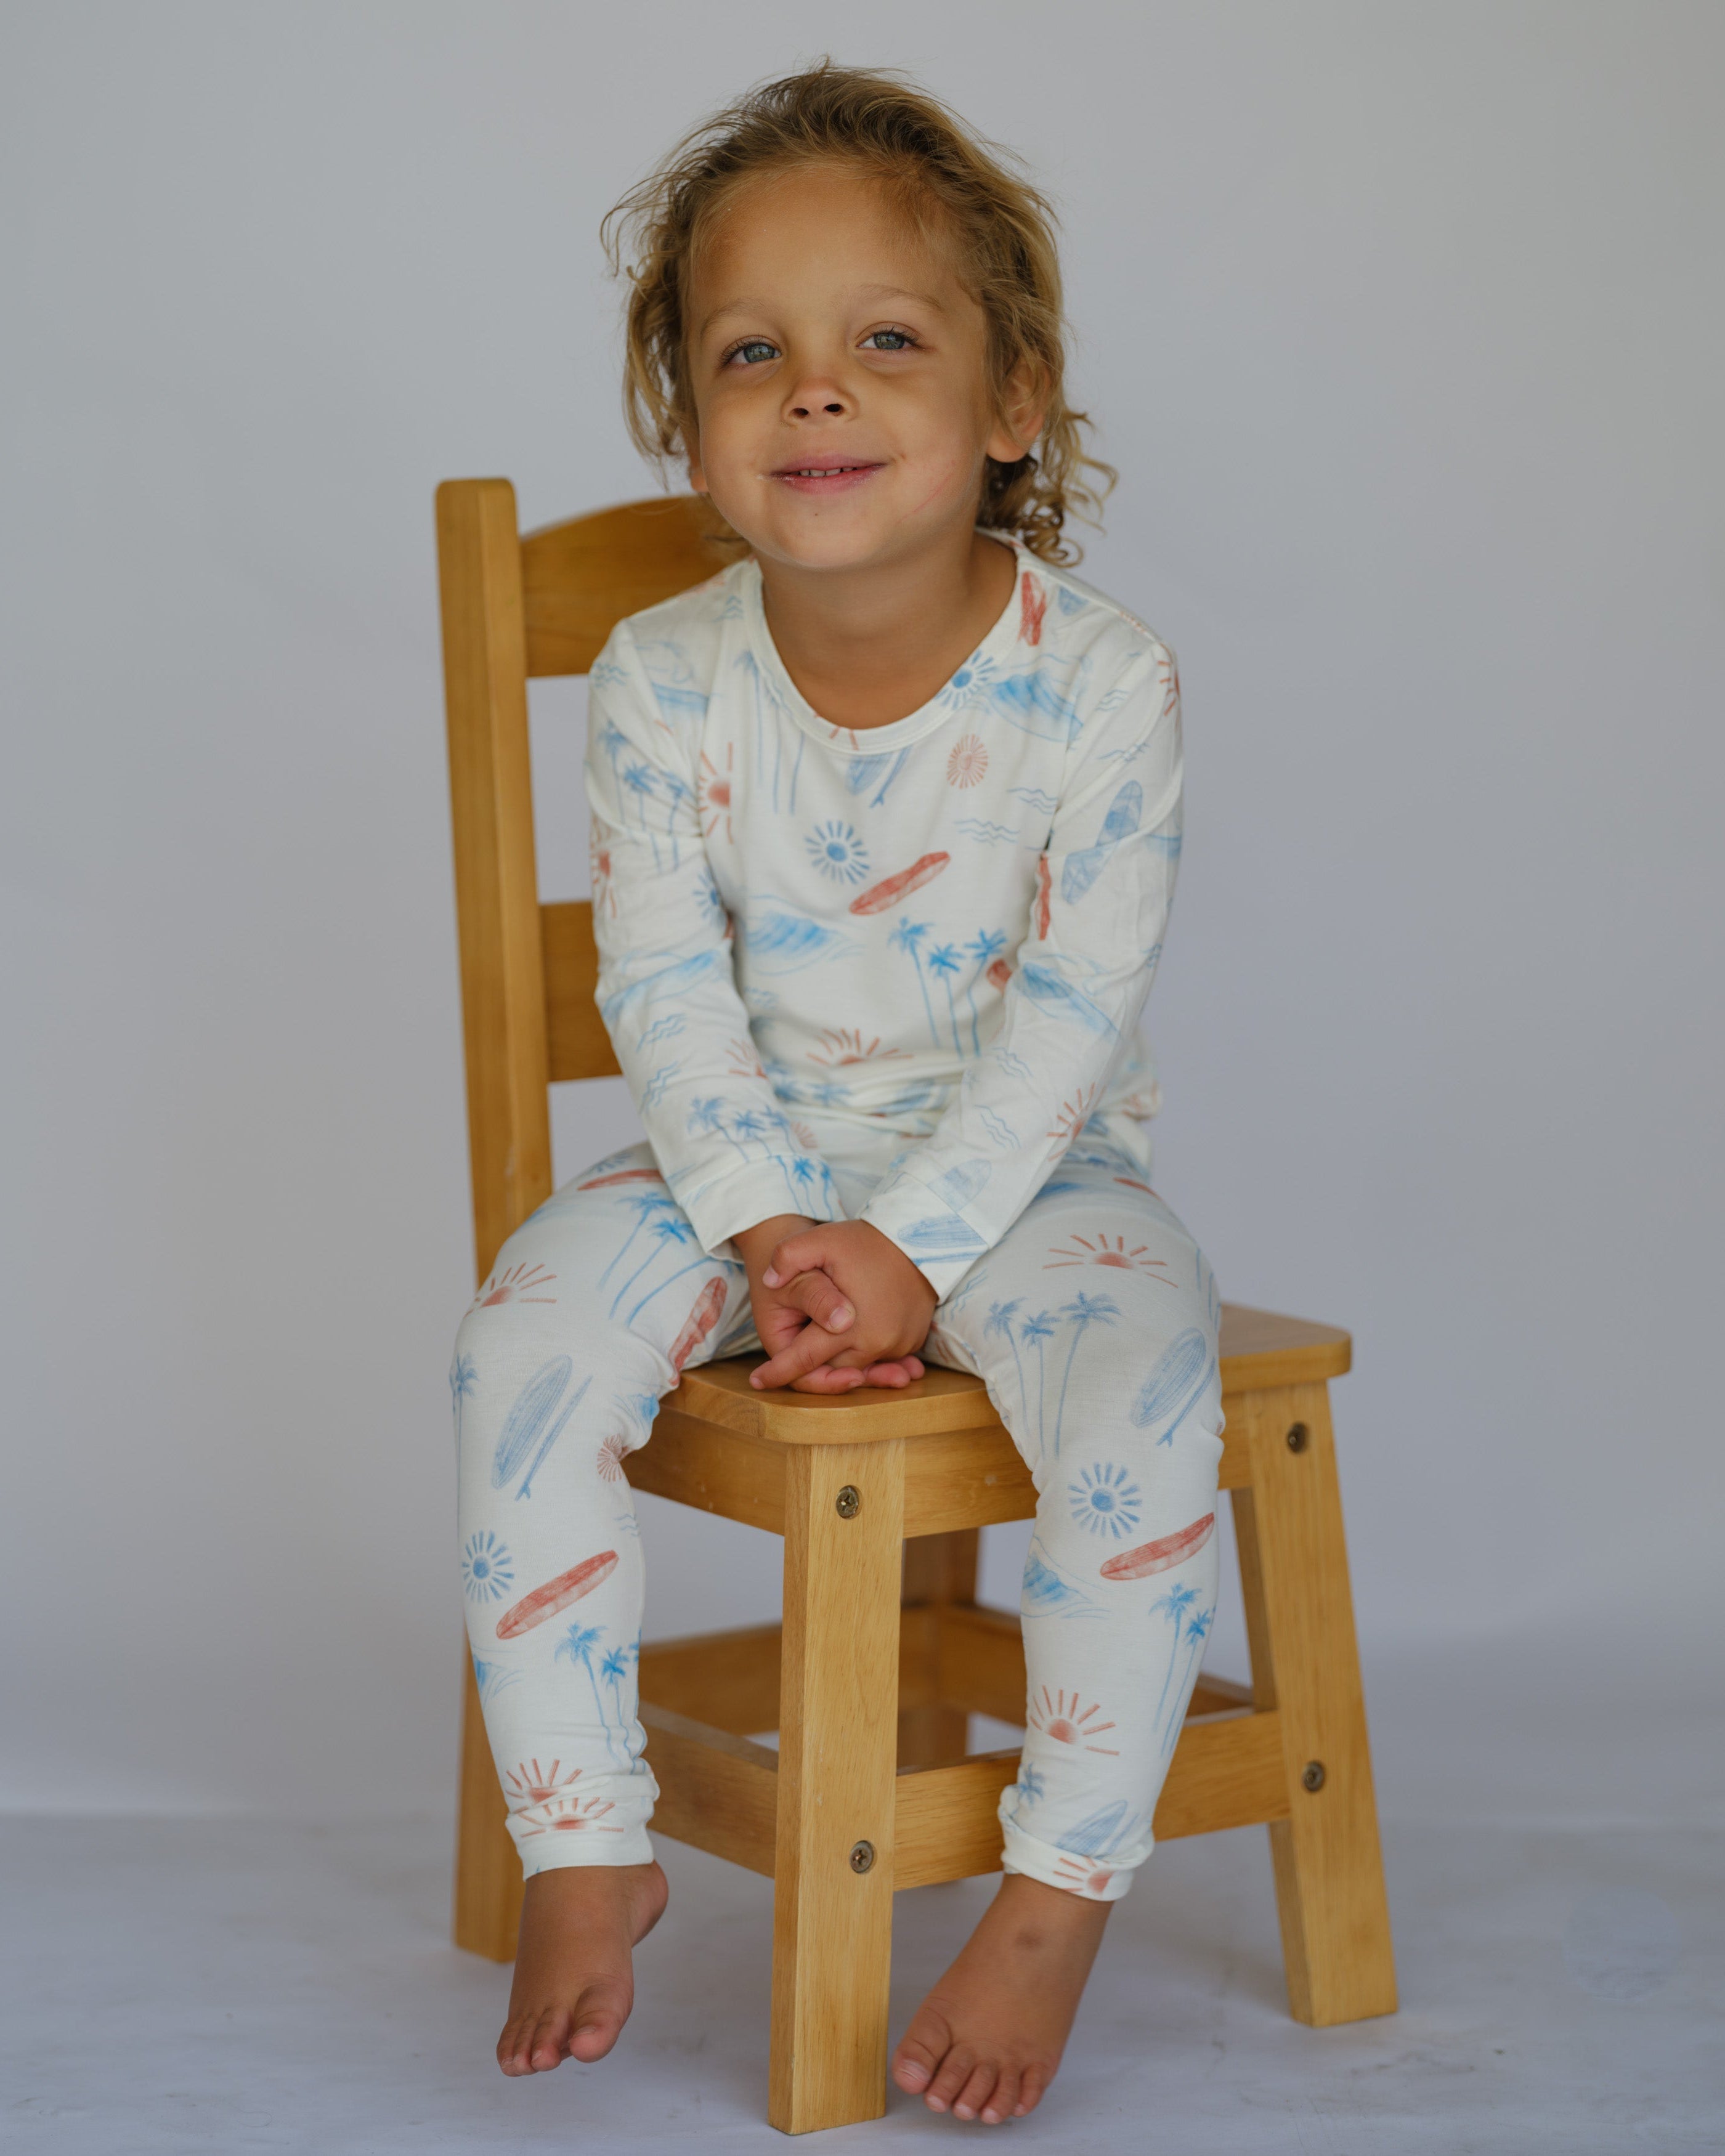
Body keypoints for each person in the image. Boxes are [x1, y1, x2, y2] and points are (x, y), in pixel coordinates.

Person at [452, 63, 1223, 2127]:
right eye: (751, 351)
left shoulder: (1105, 680)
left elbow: (1073, 1011)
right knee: (521, 1330)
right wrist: (780, 1228)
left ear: (1012, 401)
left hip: (1034, 1178)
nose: (815, 390)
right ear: (687, 425)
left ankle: (1057, 1893)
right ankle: (585, 1836)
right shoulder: (660, 679)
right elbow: (663, 994)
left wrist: (912, 1249)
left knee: (1155, 1398)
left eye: (887, 338)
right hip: (740, 1175)